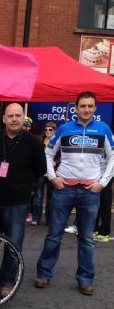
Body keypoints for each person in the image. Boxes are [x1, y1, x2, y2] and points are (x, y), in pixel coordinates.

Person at [36, 91, 114, 295]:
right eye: (83, 106)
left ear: (95, 108)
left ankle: (85, 279)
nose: (86, 109)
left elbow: (112, 157)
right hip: (64, 189)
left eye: (90, 106)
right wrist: (52, 177)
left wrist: (102, 183)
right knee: (54, 235)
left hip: (90, 191)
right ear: (76, 108)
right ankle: (44, 274)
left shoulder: (103, 129)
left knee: (86, 239)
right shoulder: (64, 128)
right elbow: (48, 153)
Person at [0, 103, 46, 298]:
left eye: (18, 116)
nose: (14, 119)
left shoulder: (34, 142)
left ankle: (7, 281)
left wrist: (24, 185)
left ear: (23, 118)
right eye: (10, 116)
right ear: (4, 118)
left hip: (18, 203)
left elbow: (40, 169)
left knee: (13, 246)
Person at [31, 122, 58, 225]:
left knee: (51, 198)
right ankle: (36, 218)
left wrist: (56, 162)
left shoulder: (57, 141)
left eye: (50, 129)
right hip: (42, 172)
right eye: (46, 129)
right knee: (38, 196)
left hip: (53, 172)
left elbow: (63, 156)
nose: (47, 131)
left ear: (54, 131)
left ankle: (49, 219)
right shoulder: (40, 140)